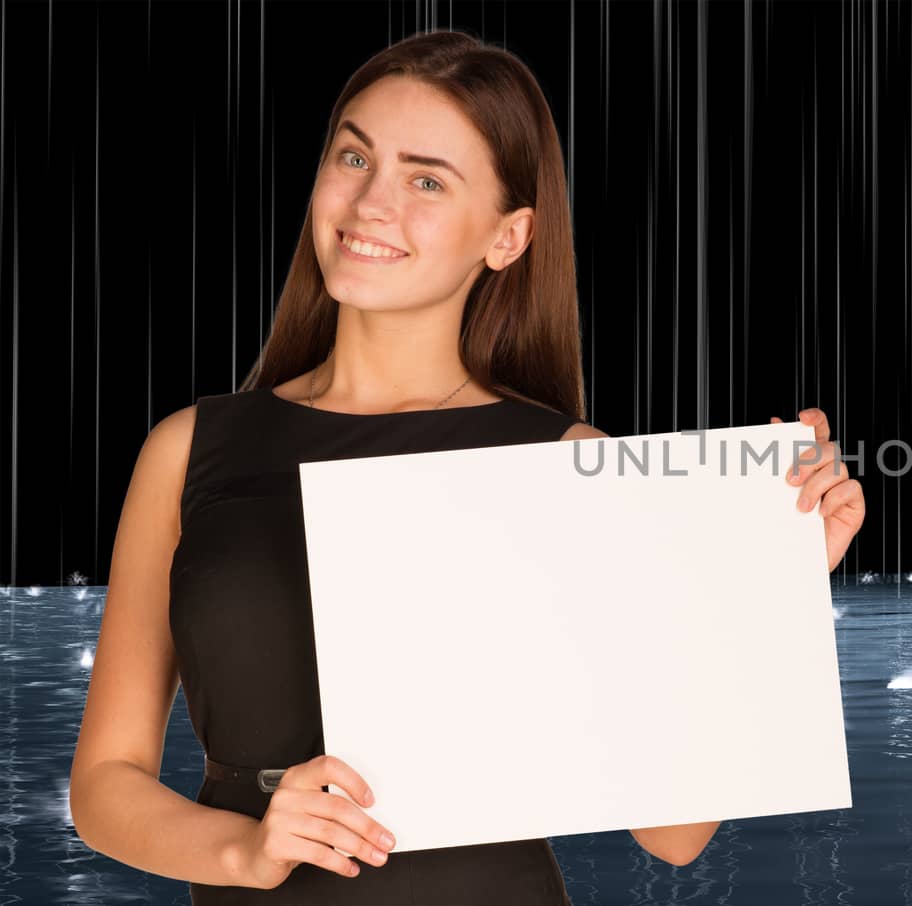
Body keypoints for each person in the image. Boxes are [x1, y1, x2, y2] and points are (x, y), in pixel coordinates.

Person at [67, 29, 866, 904]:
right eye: (353, 156)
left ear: (508, 237)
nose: (372, 201)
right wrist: (244, 852)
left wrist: (770, 588)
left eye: (427, 180)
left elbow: (671, 835)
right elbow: (106, 783)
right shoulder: (188, 448)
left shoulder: (571, 465)